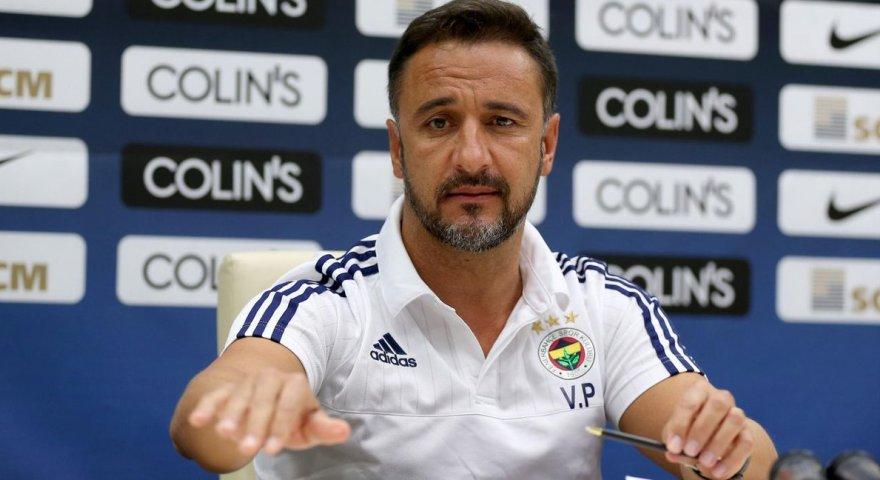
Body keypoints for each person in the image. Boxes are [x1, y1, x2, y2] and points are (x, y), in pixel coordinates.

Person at [170, 1, 778, 478]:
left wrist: (722, 447)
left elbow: (745, 461)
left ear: (546, 146)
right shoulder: (324, 300)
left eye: (501, 122)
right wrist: (238, 405)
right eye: (439, 123)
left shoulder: (605, 305)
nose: (471, 157)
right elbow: (208, 425)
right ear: (398, 150)